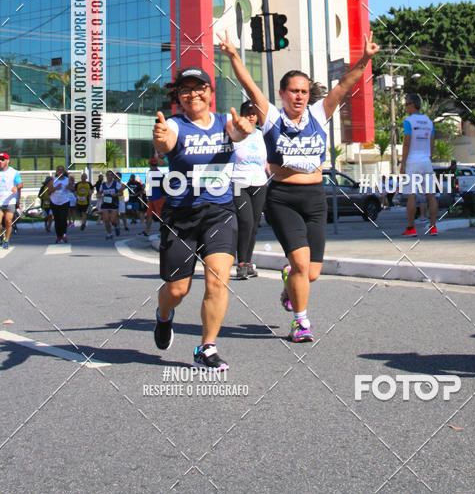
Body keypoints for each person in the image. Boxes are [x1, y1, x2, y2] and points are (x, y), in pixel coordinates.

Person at [218, 30, 379, 343]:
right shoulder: (271, 118)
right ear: (282, 93)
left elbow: (345, 84)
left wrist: (366, 58)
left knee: (312, 272)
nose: (299, 96)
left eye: (304, 91)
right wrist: (233, 55)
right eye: (293, 91)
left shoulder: (320, 113)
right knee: (302, 264)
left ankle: (290, 282)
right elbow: (249, 85)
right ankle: (300, 323)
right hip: (283, 198)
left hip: (315, 198)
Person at [152, 66, 253, 371]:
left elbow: (236, 134)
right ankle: (163, 316)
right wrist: (160, 141)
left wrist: (242, 132)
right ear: (178, 97)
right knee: (177, 289)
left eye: (200, 88)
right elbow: (165, 145)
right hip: (181, 215)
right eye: (186, 90)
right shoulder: (173, 125)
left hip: (219, 212)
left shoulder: (225, 122)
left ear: (210, 93)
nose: (193, 94)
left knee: (218, 280)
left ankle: (206, 348)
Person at [231, 100, 269, 280]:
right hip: (239, 183)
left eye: (254, 113)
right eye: (248, 113)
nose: (251, 116)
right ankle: (240, 264)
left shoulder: (262, 135)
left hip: (259, 183)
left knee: (254, 225)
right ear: (242, 115)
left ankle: (247, 263)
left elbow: (267, 162)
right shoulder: (235, 134)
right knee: (245, 221)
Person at [400, 93, 437, 237]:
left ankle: (411, 228)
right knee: (431, 195)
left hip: (412, 162)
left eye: (405, 104)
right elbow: (432, 142)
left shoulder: (409, 121)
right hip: (426, 161)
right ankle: (433, 227)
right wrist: (429, 156)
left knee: (412, 196)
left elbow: (406, 143)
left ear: (411, 104)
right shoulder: (429, 122)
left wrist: (403, 164)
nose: (405, 107)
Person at [0, 152, 22, 249]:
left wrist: (16, 187)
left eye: (2, 159)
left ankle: (6, 240)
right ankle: (1, 235)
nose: (0, 161)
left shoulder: (13, 172)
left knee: (8, 221)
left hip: (10, 201)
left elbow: (21, 184)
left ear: (7, 161)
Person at [49, 165, 74, 243]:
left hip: (64, 201)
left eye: (61, 170)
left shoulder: (67, 180)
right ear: (56, 172)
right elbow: (49, 191)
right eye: (58, 170)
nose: (60, 172)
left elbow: (73, 189)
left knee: (63, 219)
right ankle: (58, 235)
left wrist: (68, 187)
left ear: (64, 172)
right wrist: (56, 188)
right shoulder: (53, 180)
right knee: (57, 219)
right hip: (55, 202)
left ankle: (64, 234)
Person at [143, 158, 165, 236]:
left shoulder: (156, 173)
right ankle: (146, 230)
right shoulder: (155, 173)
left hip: (158, 197)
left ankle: (163, 230)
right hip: (153, 197)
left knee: (158, 215)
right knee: (150, 214)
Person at [99, 170, 121, 240]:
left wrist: (116, 194)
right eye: (108, 175)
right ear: (106, 176)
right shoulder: (103, 185)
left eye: (111, 175)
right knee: (106, 220)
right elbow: (99, 193)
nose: (109, 176)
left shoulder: (115, 184)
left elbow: (121, 193)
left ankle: (116, 226)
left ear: (113, 176)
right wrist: (100, 196)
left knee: (112, 219)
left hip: (114, 203)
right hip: (105, 203)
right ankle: (109, 233)